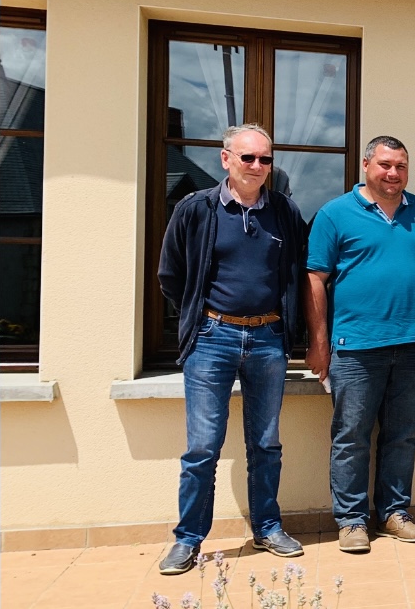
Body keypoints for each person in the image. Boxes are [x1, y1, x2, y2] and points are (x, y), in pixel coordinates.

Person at [156, 124, 308, 575]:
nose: (258, 167)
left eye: (265, 159)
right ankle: (187, 540)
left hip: (267, 339)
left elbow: (298, 272)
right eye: (248, 158)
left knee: (265, 443)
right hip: (212, 339)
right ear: (226, 159)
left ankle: (267, 528)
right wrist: (199, 318)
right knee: (203, 446)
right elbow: (172, 275)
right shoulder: (195, 209)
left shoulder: (284, 212)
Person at [306, 136, 415, 553]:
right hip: (354, 347)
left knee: (402, 435)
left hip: (412, 346)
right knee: (351, 436)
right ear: (366, 164)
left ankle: (394, 513)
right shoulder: (335, 214)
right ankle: (351, 520)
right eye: (385, 164)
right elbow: (315, 278)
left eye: (401, 166)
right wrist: (319, 343)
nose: (393, 173)